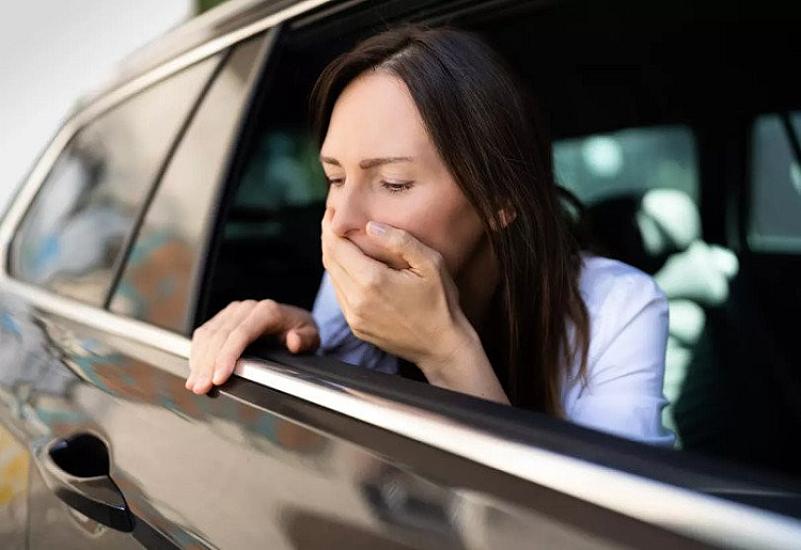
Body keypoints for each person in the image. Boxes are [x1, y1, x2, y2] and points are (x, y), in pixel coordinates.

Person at [185, 25, 675, 447]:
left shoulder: (617, 309)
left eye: (393, 182)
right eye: (334, 178)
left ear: (499, 198)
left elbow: (585, 520)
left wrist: (446, 352)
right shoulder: (361, 266)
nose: (340, 221)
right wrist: (306, 344)